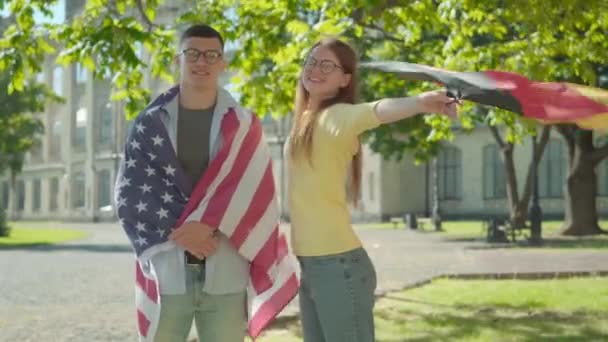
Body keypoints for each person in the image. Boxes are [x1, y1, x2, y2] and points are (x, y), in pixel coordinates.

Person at [116, 24, 296, 342]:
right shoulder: (148, 123)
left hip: (224, 266)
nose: (202, 62)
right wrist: (185, 232)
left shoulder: (244, 125)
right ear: (178, 60)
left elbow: (255, 190)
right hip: (167, 266)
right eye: (193, 54)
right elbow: (131, 191)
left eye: (211, 55)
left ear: (222, 63)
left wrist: (208, 226)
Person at [286, 37, 459, 342]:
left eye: (328, 65)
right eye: (312, 61)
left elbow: (376, 110)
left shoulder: (338, 117)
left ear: (345, 79)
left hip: (338, 267)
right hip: (312, 265)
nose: (316, 69)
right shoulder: (303, 122)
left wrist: (420, 102)